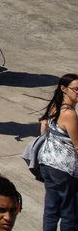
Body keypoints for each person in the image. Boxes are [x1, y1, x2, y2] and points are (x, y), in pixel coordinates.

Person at [38, 73, 78, 230]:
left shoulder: (55, 105)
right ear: (64, 89)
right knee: (70, 212)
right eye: (76, 89)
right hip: (63, 168)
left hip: (47, 163)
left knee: (51, 209)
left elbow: (44, 128)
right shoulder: (69, 114)